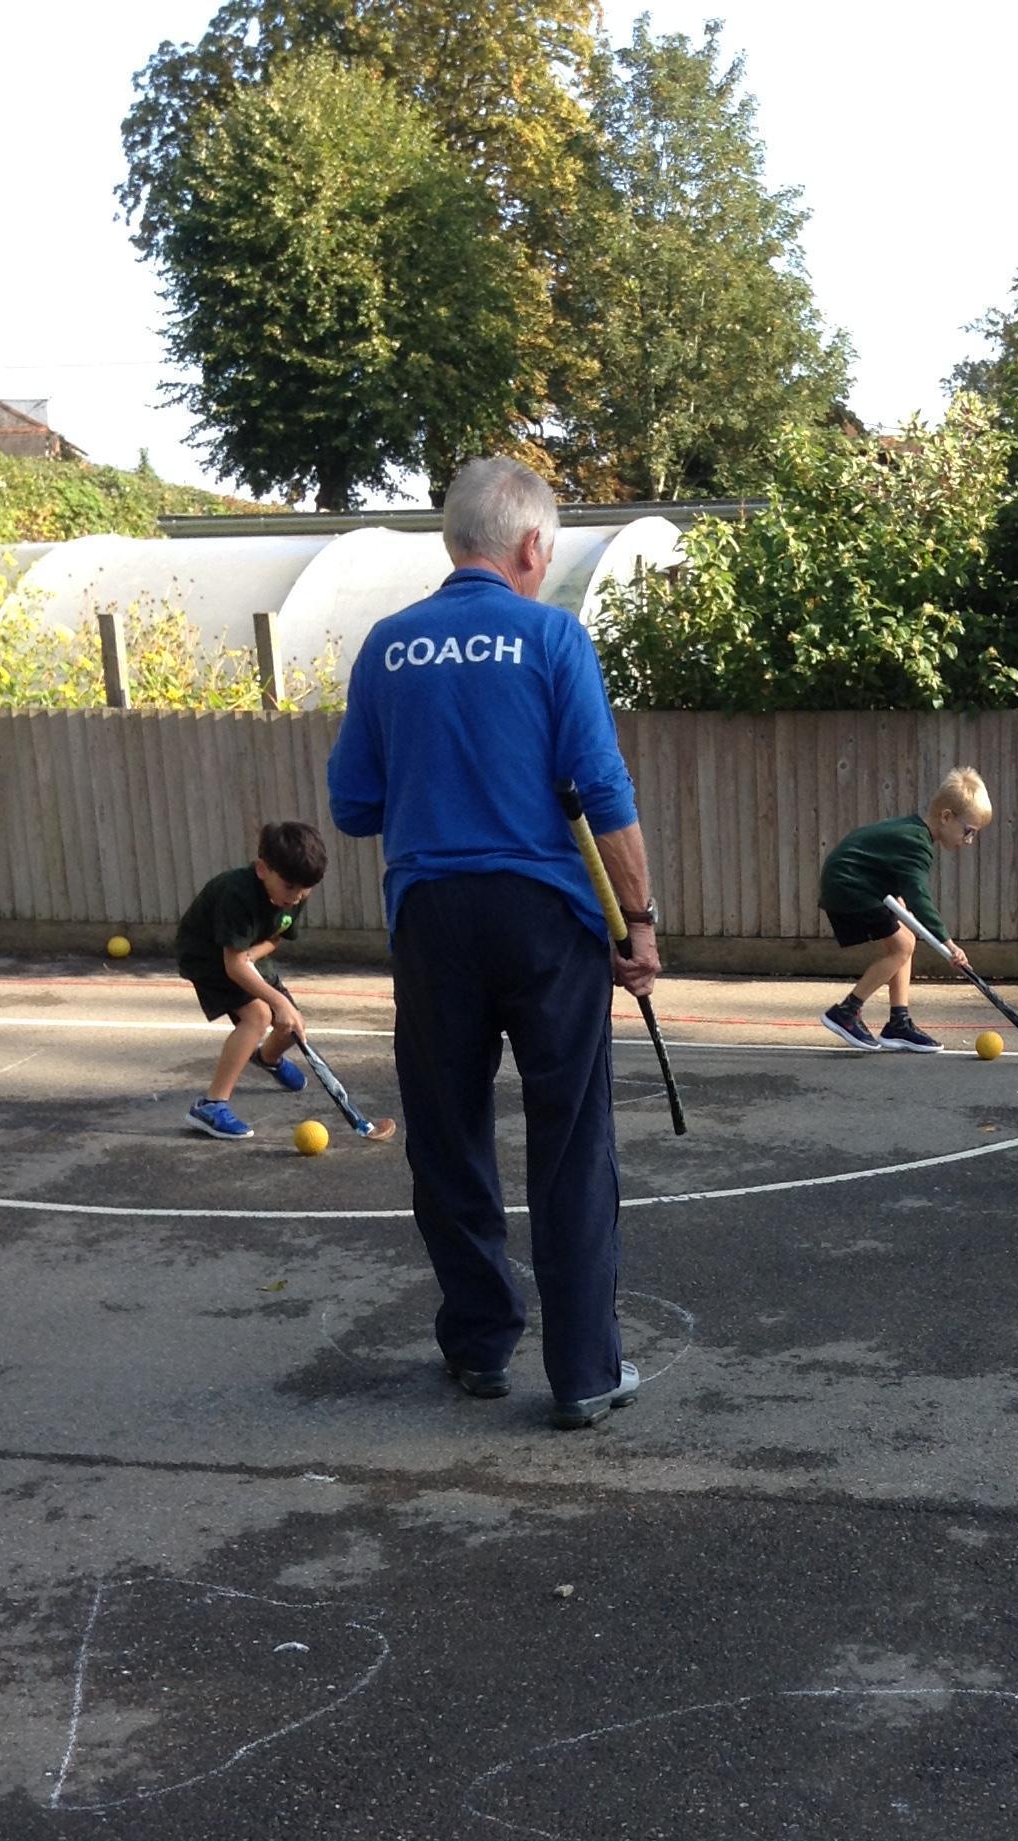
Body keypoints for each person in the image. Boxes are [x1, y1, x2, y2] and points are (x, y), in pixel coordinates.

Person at [326, 456, 659, 1432]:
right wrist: (637, 921)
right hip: (546, 919)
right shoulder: (553, 637)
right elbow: (601, 789)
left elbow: (352, 807)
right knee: (571, 1141)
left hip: (432, 919)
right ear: (532, 545)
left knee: (447, 1134)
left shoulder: (387, 646)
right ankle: (584, 1371)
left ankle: (478, 1345)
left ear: (454, 540)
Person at [817, 769, 993, 1052]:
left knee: (906, 940)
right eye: (968, 831)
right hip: (848, 886)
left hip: (857, 883)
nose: (969, 840)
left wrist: (897, 899)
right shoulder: (917, 845)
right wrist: (949, 945)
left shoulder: (913, 832)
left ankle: (899, 1023)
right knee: (901, 947)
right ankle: (846, 1012)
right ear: (946, 817)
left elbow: (882, 863)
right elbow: (919, 897)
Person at [176, 822, 326, 1140]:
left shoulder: (294, 893)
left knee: (291, 1025)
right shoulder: (237, 893)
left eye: (305, 889)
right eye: (289, 887)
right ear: (262, 869)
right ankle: (210, 1106)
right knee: (259, 1016)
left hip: (245, 953)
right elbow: (232, 966)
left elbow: (275, 938)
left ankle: (267, 1058)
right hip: (207, 956)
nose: (297, 897)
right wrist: (277, 999)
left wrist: (252, 956)